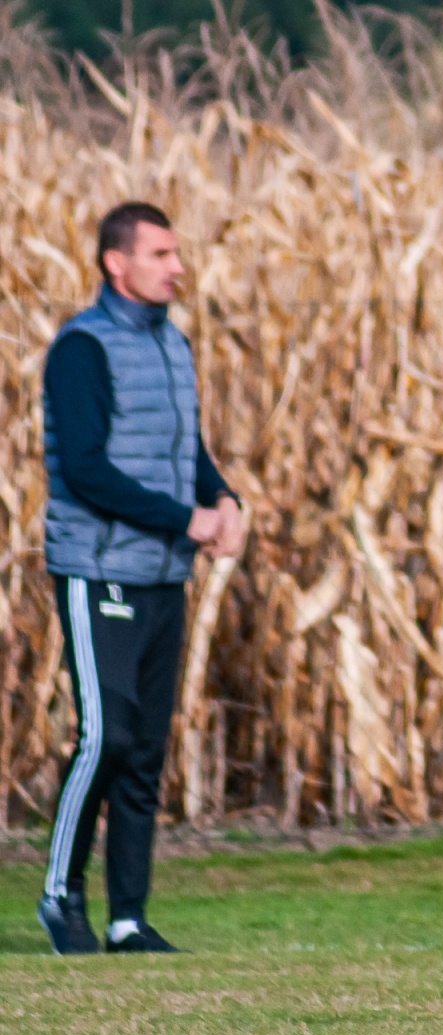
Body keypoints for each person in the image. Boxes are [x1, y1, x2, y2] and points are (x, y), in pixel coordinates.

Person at [36, 202, 244, 955]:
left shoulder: (172, 345)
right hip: (99, 570)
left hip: (163, 573)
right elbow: (86, 469)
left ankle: (128, 918)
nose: (177, 266)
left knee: (146, 746)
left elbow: (184, 451)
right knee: (105, 734)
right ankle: (61, 896)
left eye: (177, 253)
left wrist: (225, 500)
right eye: (161, 253)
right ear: (115, 264)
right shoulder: (81, 349)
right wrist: (184, 519)